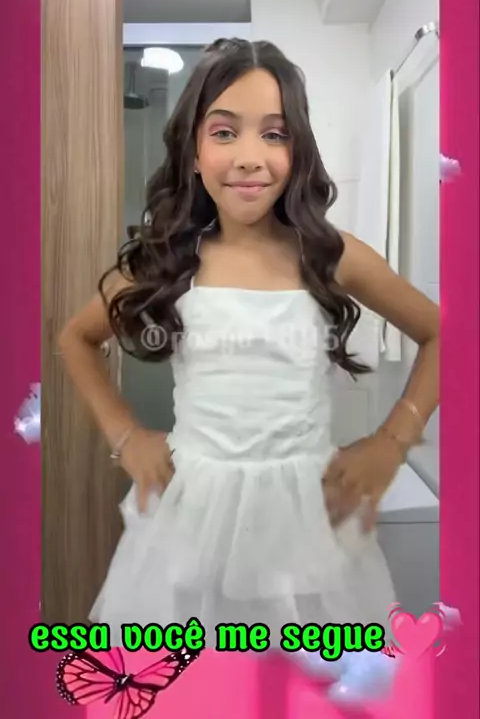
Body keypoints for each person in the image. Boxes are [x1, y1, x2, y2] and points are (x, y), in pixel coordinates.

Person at [58, 38, 439, 648]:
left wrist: (392, 442)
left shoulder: (332, 256)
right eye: (224, 132)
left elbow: (445, 334)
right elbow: (76, 338)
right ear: (193, 152)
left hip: (309, 515)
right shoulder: (167, 262)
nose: (249, 158)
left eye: (274, 134)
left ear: (297, 150)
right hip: (190, 514)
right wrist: (126, 436)